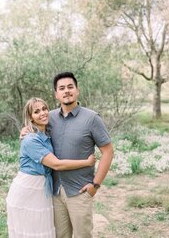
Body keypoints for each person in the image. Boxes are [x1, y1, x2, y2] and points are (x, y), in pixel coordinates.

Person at [23, 72, 114, 238]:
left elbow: (108, 151)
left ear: (77, 90)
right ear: (56, 94)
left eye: (70, 87)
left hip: (80, 191)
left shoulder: (92, 118)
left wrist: (95, 185)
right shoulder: (48, 117)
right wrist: (25, 130)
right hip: (55, 191)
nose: (66, 91)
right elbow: (33, 128)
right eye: (62, 88)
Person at [6, 97, 96, 238]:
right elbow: (56, 164)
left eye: (44, 109)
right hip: (28, 189)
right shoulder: (31, 139)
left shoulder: (46, 132)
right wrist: (87, 162)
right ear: (31, 117)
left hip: (43, 189)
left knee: (44, 230)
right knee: (31, 232)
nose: (42, 113)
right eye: (36, 111)